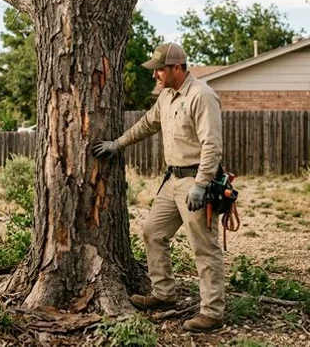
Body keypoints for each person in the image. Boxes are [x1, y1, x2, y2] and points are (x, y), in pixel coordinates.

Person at [91, 42, 225, 333]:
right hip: (173, 179)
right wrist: (117, 144)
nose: (156, 76)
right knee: (153, 231)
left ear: (177, 68)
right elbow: (146, 124)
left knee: (204, 247)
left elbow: (212, 146)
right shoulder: (166, 97)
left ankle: (212, 313)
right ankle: (164, 294)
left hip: (196, 180)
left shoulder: (201, 96)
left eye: (160, 70)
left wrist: (201, 185)